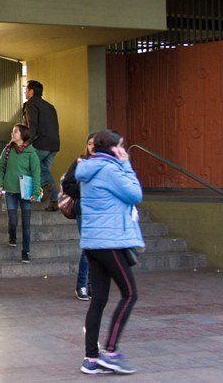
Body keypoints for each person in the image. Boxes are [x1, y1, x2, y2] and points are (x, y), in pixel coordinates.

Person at [75, 130, 143, 376]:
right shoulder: (112, 170)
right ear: (112, 149)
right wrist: (126, 165)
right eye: (120, 147)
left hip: (93, 243)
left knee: (99, 299)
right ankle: (111, 352)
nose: (123, 150)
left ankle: (91, 359)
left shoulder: (89, 169)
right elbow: (135, 194)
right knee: (130, 293)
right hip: (110, 242)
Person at [0, 123, 42, 263]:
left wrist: (35, 191)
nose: (12, 134)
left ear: (22, 135)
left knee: (26, 224)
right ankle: (12, 236)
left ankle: (25, 252)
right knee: (13, 220)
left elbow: (36, 173)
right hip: (10, 191)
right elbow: (0, 167)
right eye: (13, 131)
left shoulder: (31, 153)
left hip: (26, 192)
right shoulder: (7, 150)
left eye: (15, 132)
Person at [60, 133, 96, 301]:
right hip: (84, 210)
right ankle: (82, 284)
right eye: (90, 144)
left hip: (101, 212)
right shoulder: (81, 162)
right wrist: (82, 193)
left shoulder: (105, 164)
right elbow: (67, 184)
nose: (92, 147)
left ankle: (91, 284)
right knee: (89, 247)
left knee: (97, 249)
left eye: (96, 144)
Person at [22, 80, 61, 211]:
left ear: (31, 91)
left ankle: (53, 197)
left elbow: (32, 126)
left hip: (41, 144)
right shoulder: (50, 106)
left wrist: (26, 143)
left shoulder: (31, 104)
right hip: (54, 145)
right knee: (44, 171)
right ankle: (45, 197)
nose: (25, 92)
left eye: (26, 89)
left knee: (33, 167)